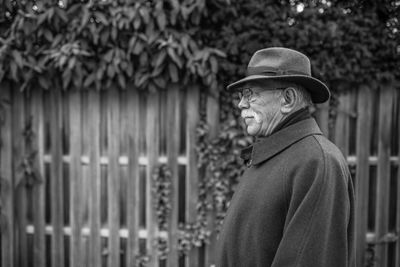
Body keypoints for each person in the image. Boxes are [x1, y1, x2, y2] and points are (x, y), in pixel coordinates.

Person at [215, 47, 355, 267]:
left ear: (287, 99)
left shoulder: (317, 162)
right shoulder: (276, 154)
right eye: (242, 95)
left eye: (250, 93)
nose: (241, 103)